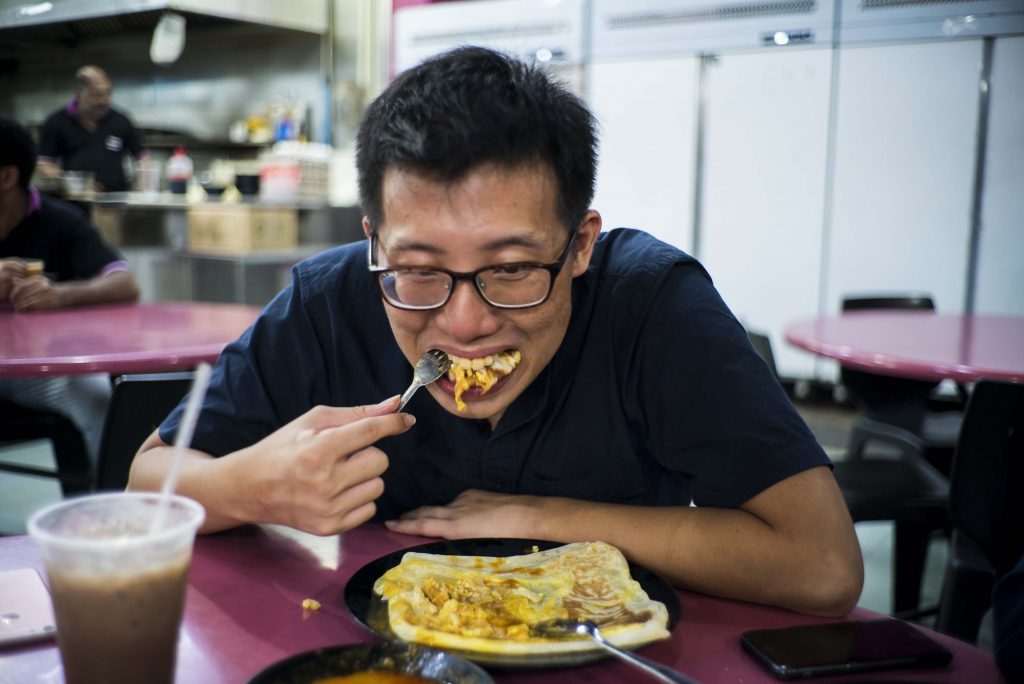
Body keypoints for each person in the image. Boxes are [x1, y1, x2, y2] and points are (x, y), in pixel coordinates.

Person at [128, 47, 863, 616]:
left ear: (579, 246)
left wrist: (543, 516)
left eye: (511, 269)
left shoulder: (652, 306)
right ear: (374, 242)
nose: (465, 322)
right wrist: (250, 486)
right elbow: (147, 481)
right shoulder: (329, 302)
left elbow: (823, 567)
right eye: (417, 269)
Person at [0, 117, 140, 461]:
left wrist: (61, 295)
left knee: (95, 395)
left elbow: (125, 283)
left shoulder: (60, 221)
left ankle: (107, 505)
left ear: (6, 177)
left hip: (34, 370)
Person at [36, 66, 145, 193]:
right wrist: (71, 182)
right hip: (74, 201)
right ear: (78, 93)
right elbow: (44, 164)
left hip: (116, 199)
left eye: (107, 93)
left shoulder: (121, 120)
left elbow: (142, 157)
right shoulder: (57, 121)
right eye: (96, 95)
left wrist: (141, 186)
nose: (103, 101)